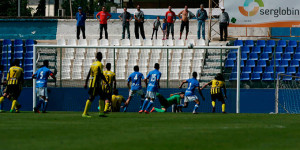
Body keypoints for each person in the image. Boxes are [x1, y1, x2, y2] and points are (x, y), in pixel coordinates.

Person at [82, 52, 109, 118]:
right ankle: (84, 113)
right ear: (101, 57)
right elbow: (100, 74)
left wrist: (86, 82)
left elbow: (89, 74)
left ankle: (101, 113)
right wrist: (106, 82)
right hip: (95, 84)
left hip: (93, 83)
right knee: (91, 97)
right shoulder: (100, 64)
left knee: (102, 96)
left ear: (96, 57)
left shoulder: (93, 64)